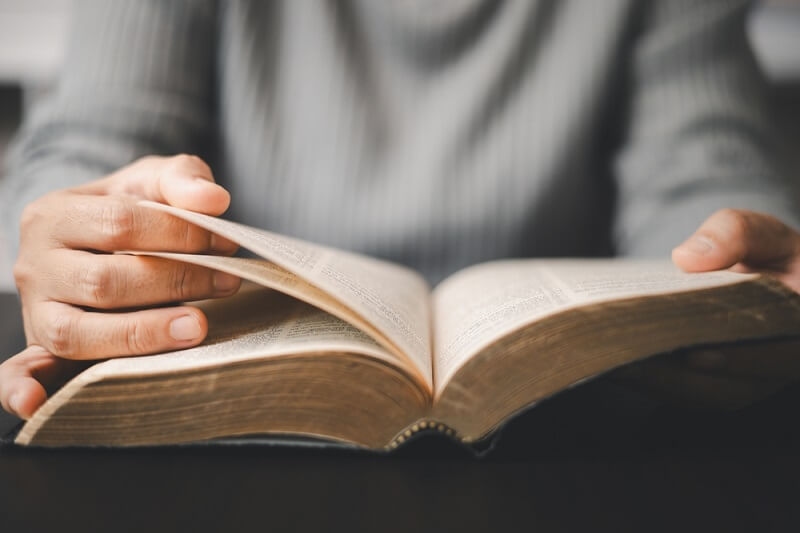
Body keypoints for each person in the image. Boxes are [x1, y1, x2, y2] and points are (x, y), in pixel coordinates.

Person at [1, 0, 799, 420]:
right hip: (234, 420)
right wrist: (85, 232)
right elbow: (91, 142)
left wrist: (741, 288)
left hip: (567, 430)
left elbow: (703, 169)